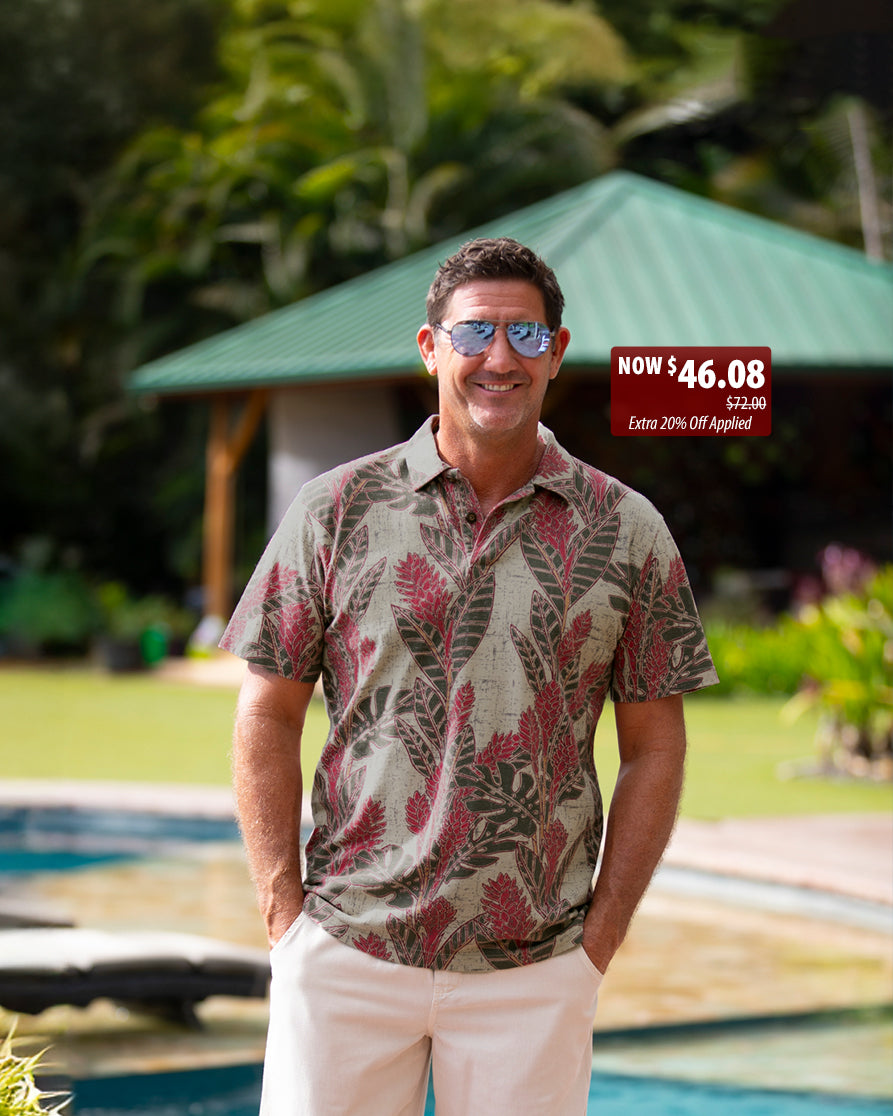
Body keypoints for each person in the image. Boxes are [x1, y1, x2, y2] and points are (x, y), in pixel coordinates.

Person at [223, 237, 718, 1116]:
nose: (499, 358)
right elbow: (266, 714)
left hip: (534, 973)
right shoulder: (334, 510)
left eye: (525, 337)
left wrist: (597, 942)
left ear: (556, 354)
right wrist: (284, 920)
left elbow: (653, 748)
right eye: (475, 332)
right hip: (345, 956)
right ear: (430, 347)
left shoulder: (627, 530)